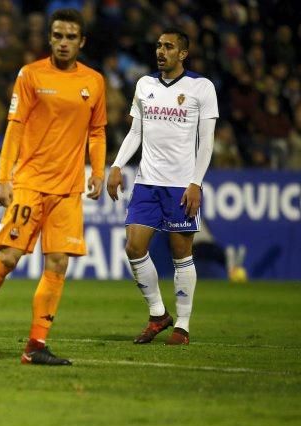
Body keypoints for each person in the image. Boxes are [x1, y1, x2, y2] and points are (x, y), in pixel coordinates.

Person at [0, 8, 107, 365]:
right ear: (49, 38)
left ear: (82, 41)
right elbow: (16, 126)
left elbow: (97, 131)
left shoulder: (95, 81)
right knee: (8, 258)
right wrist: (3, 178)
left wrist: (97, 171)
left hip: (68, 189)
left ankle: (35, 346)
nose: (64, 42)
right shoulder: (31, 74)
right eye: (58, 36)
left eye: (71, 37)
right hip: (30, 183)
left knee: (57, 264)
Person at [106, 28, 218, 345]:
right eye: (158, 45)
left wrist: (195, 182)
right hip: (146, 181)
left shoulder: (201, 88)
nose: (161, 51)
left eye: (169, 46)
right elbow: (136, 133)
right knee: (134, 247)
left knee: (181, 254)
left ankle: (182, 325)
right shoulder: (145, 85)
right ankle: (158, 314)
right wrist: (116, 165)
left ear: (183, 53)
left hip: (181, 185)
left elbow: (206, 142)